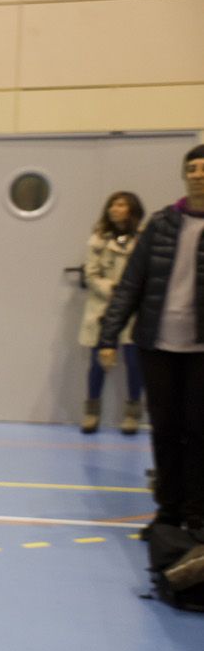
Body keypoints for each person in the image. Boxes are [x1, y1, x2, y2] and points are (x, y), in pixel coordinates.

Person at [100, 147, 204, 535]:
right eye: (191, 169)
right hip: (157, 345)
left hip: (200, 352)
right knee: (164, 431)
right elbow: (130, 284)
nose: (197, 175)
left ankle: (197, 517)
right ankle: (168, 514)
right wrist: (109, 336)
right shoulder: (161, 224)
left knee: (198, 433)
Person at [79, 192, 146, 435]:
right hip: (102, 308)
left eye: (121, 205)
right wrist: (112, 289)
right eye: (112, 205)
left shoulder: (143, 239)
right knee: (98, 363)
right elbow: (91, 274)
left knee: (134, 362)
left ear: (132, 210)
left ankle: (132, 414)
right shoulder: (98, 239)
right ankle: (91, 411)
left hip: (133, 310)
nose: (115, 209)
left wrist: (129, 293)